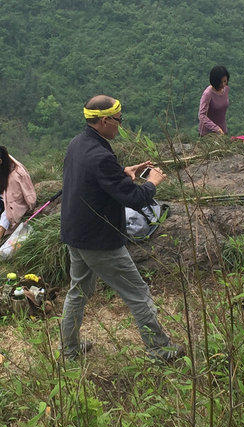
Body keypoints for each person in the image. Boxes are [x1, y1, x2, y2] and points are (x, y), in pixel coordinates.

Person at [58, 95, 183, 363]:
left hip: (75, 233)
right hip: (99, 239)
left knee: (78, 291)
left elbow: (93, 180)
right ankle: (159, 349)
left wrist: (121, 172)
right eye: (118, 120)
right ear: (104, 121)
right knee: (137, 292)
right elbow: (135, 199)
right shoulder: (101, 155)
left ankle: (69, 350)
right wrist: (152, 182)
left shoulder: (78, 144)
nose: (120, 124)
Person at [198, 65, 230, 136]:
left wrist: (221, 130)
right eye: (220, 82)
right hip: (208, 134)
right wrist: (216, 128)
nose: (223, 84)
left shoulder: (226, 89)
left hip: (222, 131)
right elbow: (201, 115)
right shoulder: (208, 94)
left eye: (225, 81)